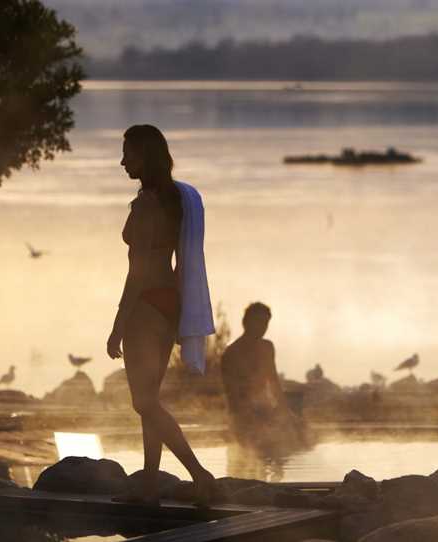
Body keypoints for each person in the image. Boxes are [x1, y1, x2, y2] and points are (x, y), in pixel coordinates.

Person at [106, 124, 215, 505]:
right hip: (169, 304)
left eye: (128, 154)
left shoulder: (148, 204)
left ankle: (199, 473)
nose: (122, 161)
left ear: (145, 157)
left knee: (143, 402)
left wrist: (117, 326)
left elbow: (138, 270)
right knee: (148, 398)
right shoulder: (173, 199)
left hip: (146, 307)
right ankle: (150, 482)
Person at [221, 303, 307, 450]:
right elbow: (232, 396)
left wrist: (286, 413)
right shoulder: (232, 352)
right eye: (258, 321)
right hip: (243, 418)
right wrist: (252, 419)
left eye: (266, 323)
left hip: (264, 410)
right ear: (246, 322)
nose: (262, 327)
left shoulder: (267, 347)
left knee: (299, 433)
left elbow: (274, 383)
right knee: (264, 446)